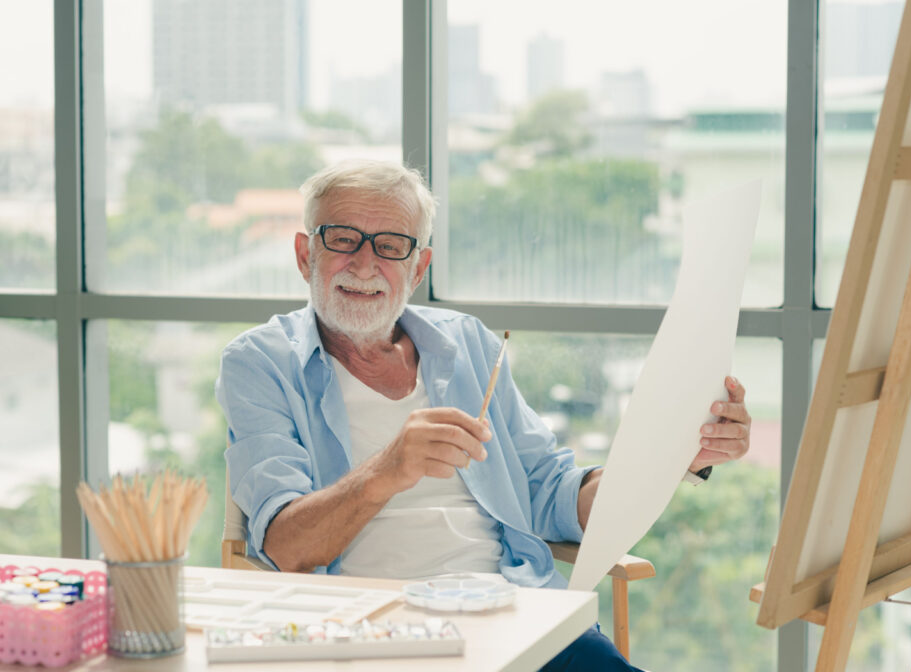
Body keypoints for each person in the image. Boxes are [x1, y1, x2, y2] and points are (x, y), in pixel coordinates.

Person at [215, 159, 751, 671]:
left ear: (418, 266)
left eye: (391, 245)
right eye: (342, 239)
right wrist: (387, 469)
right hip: (370, 632)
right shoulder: (260, 362)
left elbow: (548, 490)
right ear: (306, 254)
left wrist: (676, 454)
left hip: (511, 615)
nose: (364, 263)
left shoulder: (467, 342)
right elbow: (287, 547)